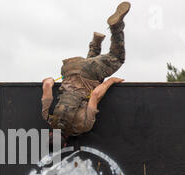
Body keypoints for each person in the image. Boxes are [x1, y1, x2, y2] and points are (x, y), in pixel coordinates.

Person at [41, 2, 131, 142]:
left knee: (117, 57)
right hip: (69, 68)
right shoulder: (48, 117)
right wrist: (50, 80)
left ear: (64, 145)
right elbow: (47, 84)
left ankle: (116, 26)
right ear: (50, 135)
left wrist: (111, 81)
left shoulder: (82, 126)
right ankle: (96, 42)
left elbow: (95, 95)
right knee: (92, 74)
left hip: (89, 73)